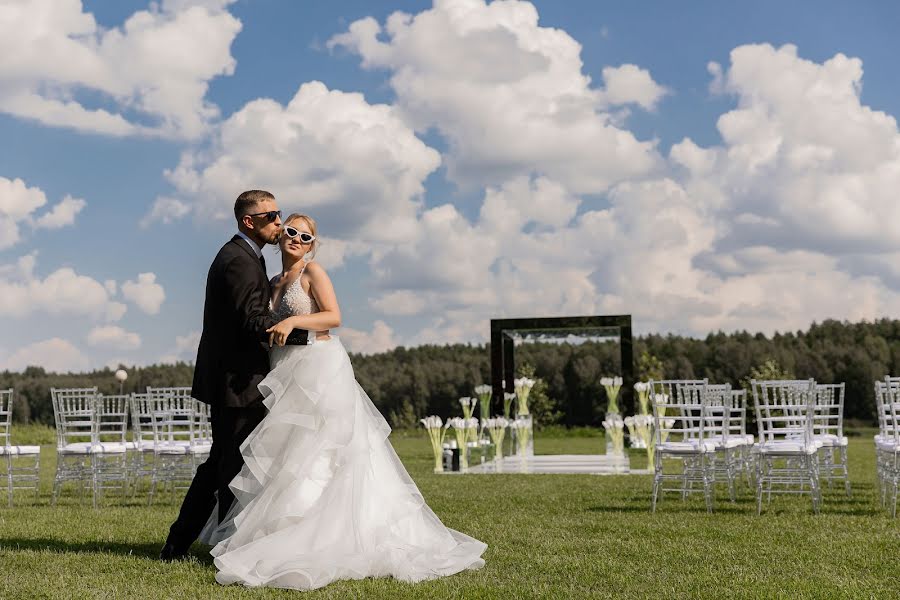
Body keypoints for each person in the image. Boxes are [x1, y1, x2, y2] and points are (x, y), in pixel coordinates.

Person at [207, 212, 487, 590]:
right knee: (288, 451)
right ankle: (283, 528)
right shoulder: (273, 280)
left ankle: (331, 532)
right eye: (290, 232)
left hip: (317, 369)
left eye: (305, 237)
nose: (296, 240)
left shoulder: (313, 272)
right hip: (283, 371)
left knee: (321, 448)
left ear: (312, 245)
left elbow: (334, 317)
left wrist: (292, 322)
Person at [159, 190, 308, 561]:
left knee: (222, 464)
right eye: (272, 216)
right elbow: (252, 321)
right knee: (230, 468)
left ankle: (184, 544)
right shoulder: (239, 260)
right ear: (249, 222)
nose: (279, 222)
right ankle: (217, 547)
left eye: (279, 213)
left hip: (236, 379)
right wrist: (306, 333)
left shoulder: (246, 256)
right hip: (238, 382)